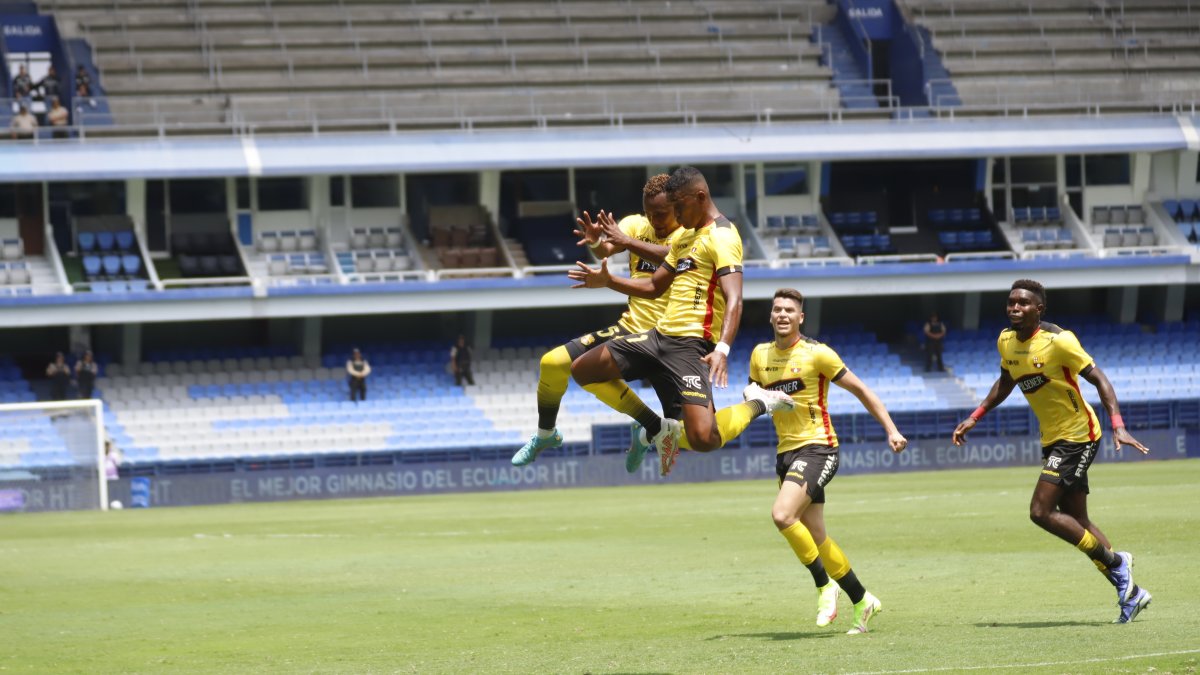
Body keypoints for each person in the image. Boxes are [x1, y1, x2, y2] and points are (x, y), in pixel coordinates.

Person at [567, 166, 792, 476]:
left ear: (700, 197)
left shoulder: (723, 236)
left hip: (691, 346)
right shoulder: (685, 237)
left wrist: (723, 349)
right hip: (658, 337)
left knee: (703, 439)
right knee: (582, 369)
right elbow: (652, 286)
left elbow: (735, 298)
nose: (676, 215)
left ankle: (758, 402)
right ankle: (654, 427)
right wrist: (608, 281)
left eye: (679, 207)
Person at [951, 279, 1152, 624]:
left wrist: (1118, 423)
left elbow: (1099, 378)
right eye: (1011, 302)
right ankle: (1131, 592)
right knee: (1079, 520)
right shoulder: (1006, 341)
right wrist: (975, 416)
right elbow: (1006, 381)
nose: (1015, 307)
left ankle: (1118, 564)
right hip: (1053, 438)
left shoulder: (1060, 341)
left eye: (1023, 303)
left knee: (1040, 511)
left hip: (1079, 435)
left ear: (1039, 309)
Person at [747, 288, 908, 634]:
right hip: (785, 453)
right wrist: (759, 397)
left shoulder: (818, 354)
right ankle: (863, 600)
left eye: (790, 310)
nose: (782, 315)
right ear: (771, 315)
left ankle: (824, 585)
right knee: (816, 535)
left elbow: (862, 390)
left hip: (819, 448)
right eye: (777, 309)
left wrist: (891, 430)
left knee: (782, 514)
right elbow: (752, 393)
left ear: (800, 317)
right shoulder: (759, 354)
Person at [511, 173, 686, 467]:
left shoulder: (687, 235)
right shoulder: (636, 225)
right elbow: (606, 249)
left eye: (661, 214)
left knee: (693, 437)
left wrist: (627, 242)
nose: (654, 219)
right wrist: (595, 243)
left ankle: (647, 434)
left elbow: (672, 257)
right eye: (649, 213)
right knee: (552, 363)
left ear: (677, 209)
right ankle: (546, 433)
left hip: (671, 340)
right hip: (630, 329)